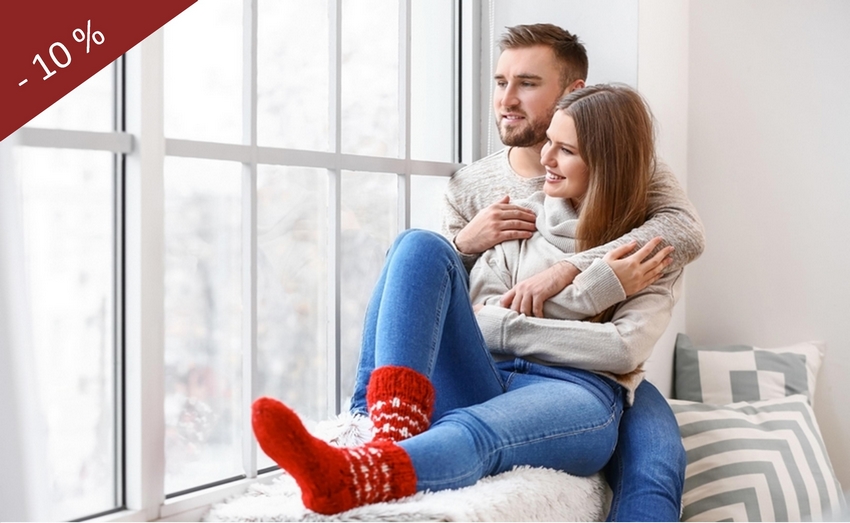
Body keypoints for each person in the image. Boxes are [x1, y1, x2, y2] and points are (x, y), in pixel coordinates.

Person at [252, 83, 683, 517]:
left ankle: (357, 475)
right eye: (548, 140)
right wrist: (591, 295)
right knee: (418, 244)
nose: (546, 158)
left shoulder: (651, 251)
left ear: (606, 164)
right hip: (486, 371)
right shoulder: (522, 214)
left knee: (477, 431)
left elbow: (621, 347)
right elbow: (482, 312)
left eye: (564, 149)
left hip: (577, 391)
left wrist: (507, 324)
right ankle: (390, 430)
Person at [349, 24, 703, 521]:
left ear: (572, 94)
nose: (507, 99)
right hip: (487, 360)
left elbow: (682, 230)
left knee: (656, 458)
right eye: (500, 82)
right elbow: (446, 298)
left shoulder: (635, 177)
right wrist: (464, 244)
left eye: (528, 83)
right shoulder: (480, 190)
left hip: (582, 376)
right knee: (416, 247)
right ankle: (372, 422)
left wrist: (569, 274)